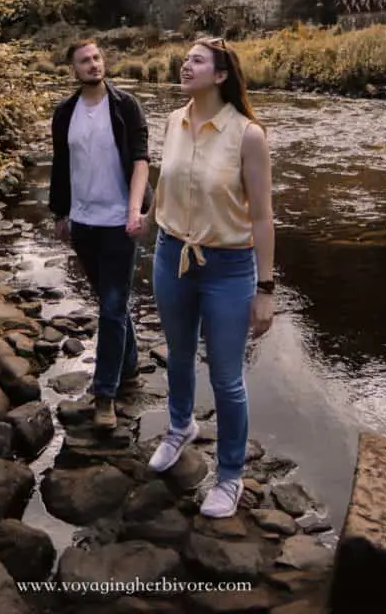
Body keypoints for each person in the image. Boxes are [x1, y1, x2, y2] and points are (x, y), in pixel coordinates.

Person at [147, 36, 275, 518]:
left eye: (197, 60)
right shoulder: (172, 122)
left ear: (221, 75)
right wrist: (145, 218)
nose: (186, 63)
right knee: (177, 354)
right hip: (170, 254)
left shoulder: (248, 135)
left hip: (228, 266)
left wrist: (265, 289)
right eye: (185, 58)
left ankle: (229, 475)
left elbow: (263, 218)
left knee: (226, 377)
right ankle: (180, 427)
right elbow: (168, 185)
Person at [49, 39, 152, 430]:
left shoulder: (125, 106)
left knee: (111, 306)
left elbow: (141, 160)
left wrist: (134, 210)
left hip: (119, 222)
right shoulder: (65, 113)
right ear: (73, 70)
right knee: (111, 303)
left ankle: (104, 395)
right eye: (84, 61)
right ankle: (128, 365)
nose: (93, 65)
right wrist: (60, 213)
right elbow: (62, 165)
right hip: (83, 222)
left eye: (97, 58)